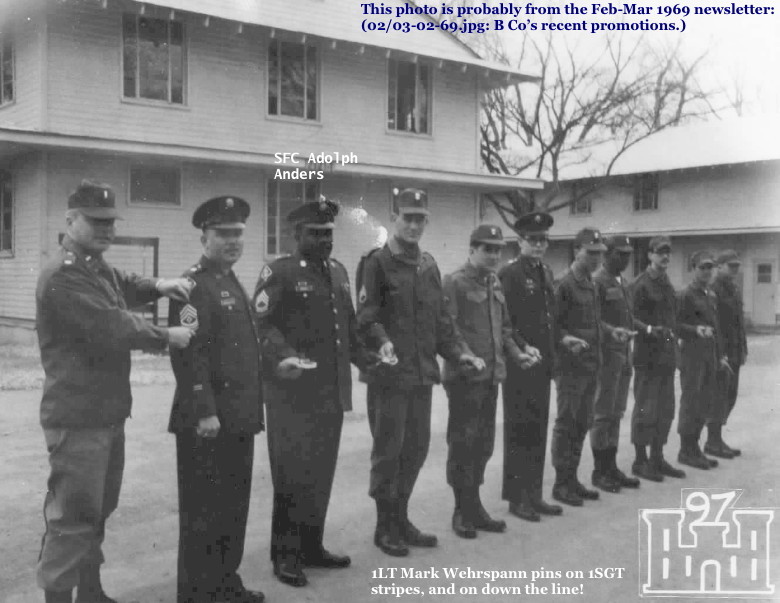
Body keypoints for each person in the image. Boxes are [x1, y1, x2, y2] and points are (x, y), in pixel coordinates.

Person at [35, 180, 193, 603]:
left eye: (111, 222)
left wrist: (159, 285)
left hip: (103, 413)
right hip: (79, 417)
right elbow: (112, 325)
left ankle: (91, 592)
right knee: (72, 517)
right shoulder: (65, 274)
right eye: (96, 221)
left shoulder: (93, 265)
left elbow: (123, 283)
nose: (107, 229)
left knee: (98, 509)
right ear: (71, 220)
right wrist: (166, 336)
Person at [356, 188, 484, 557]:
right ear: (393, 216)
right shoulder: (377, 262)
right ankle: (384, 526)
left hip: (423, 375)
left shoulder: (428, 265)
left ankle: (402, 519)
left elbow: (442, 323)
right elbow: (366, 317)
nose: (413, 225)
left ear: (427, 221)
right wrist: (381, 341)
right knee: (388, 452)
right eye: (407, 217)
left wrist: (461, 354)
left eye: (420, 219)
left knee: (415, 449)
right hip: (390, 377)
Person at [253, 198, 360, 587]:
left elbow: (347, 328)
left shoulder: (337, 272)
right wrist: (285, 356)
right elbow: (262, 325)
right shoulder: (279, 272)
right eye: (315, 234)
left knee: (320, 474)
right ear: (296, 235)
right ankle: (285, 555)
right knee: (292, 475)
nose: (324, 240)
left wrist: (372, 356)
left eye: (328, 233)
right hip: (292, 395)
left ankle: (312, 546)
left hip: (329, 393)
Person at [168, 196, 265, 603]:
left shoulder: (231, 280)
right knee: (202, 512)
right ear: (204, 236)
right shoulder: (191, 286)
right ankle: (196, 593)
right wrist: (204, 411)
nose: (232, 241)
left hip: (239, 417)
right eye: (223, 234)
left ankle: (225, 583)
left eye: (238, 233)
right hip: (207, 421)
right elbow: (188, 355)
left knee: (232, 508)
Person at [442, 225, 528, 538]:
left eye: (497, 249)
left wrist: (518, 354)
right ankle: (460, 509)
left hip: (492, 376)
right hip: (466, 377)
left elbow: (503, 330)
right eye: (487, 249)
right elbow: (449, 330)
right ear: (472, 248)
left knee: (483, 445)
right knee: (463, 443)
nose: (493, 255)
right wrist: (465, 355)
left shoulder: (494, 282)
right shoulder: (455, 282)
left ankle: (475, 505)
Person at [551, 227, 631, 507]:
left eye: (600, 254)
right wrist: (564, 339)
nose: (597, 258)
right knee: (567, 422)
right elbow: (552, 325)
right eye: (591, 253)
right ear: (577, 251)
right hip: (571, 366)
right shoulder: (564, 283)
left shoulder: (588, 282)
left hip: (591, 364)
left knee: (582, 422)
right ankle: (561, 482)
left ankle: (572, 479)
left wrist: (611, 332)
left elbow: (595, 322)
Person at [497, 212, 563, 522]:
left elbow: (549, 318)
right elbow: (505, 320)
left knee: (538, 429)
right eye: (532, 240)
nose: (538, 245)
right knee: (519, 430)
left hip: (543, 362)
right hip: (520, 363)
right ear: (520, 241)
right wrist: (523, 348)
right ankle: (517, 497)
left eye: (543, 240)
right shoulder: (510, 274)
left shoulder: (546, 272)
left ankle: (534, 494)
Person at [629, 236, 686, 482]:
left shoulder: (666, 283)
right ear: (649, 255)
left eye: (668, 253)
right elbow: (628, 317)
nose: (665, 257)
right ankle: (640, 460)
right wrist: (650, 329)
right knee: (645, 408)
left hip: (666, 357)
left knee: (665, 410)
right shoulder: (640, 284)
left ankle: (657, 457)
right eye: (660, 252)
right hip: (647, 356)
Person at [590, 236, 642, 492]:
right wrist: (612, 333)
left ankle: (610, 466)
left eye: (628, 254)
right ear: (606, 254)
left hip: (624, 355)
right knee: (603, 414)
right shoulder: (597, 281)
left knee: (617, 413)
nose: (625, 259)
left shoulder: (622, 283)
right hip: (607, 355)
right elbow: (593, 320)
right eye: (619, 254)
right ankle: (600, 470)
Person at [676, 250, 730, 470]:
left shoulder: (710, 294)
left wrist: (720, 355)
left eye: (710, 267)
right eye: (702, 267)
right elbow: (675, 325)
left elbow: (716, 328)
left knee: (705, 402)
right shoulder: (686, 295)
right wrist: (694, 330)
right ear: (693, 269)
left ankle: (695, 447)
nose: (707, 271)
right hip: (692, 356)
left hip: (709, 356)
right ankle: (685, 449)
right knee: (691, 402)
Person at [708, 249, 747, 457]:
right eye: (730, 266)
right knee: (719, 396)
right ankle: (712, 441)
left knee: (730, 396)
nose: (734, 269)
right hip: (722, 352)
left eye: (736, 266)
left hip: (735, 351)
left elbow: (739, 322)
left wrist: (743, 348)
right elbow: (715, 326)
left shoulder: (733, 287)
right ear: (719, 266)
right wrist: (719, 354)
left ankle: (717, 438)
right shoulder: (714, 289)